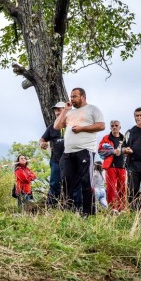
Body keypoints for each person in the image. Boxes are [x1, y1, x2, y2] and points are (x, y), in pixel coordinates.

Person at [54, 88, 105, 216]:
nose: (72, 99)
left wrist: (82, 128)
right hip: (68, 152)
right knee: (66, 181)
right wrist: (65, 110)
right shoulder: (70, 113)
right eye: (71, 96)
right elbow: (57, 126)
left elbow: (101, 125)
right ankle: (69, 210)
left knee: (86, 182)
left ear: (83, 96)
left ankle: (88, 211)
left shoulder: (92, 109)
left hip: (85, 150)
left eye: (74, 96)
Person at [39, 102, 66, 208]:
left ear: (66, 110)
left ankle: (70, 207)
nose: (57, 112)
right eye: (56, 110)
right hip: (56, 161)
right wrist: (42, 143)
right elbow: (42, 139)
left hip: (71, 160)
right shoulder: (52, 127)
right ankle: (51, 208)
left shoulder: (72, 124)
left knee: (71, 184)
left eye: (60, 109)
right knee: (54, 184)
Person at [98, 120, 127, 212]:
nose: (114, 127)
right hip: (111, 166)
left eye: (116, 125)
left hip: (122, 166)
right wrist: (112, 151)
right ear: (110, 127)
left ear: (120, 127)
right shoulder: (106, 138)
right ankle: (112, 208)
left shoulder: (124, 139)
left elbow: (128, 150)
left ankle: (122, 208)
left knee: (122, 188)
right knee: (111, 188)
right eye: (112, 126)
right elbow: (100, 151)